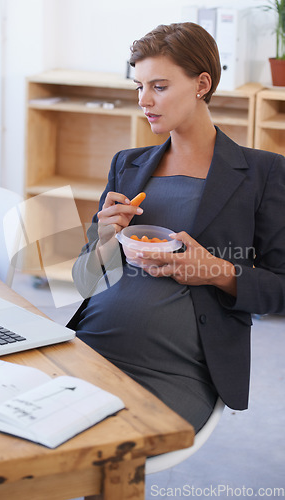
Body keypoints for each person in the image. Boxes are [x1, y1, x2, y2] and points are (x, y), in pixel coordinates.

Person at [67, 22, 285, 433]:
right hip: (89, 346)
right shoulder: (126, 165)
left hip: (176, 370)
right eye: (138, 87)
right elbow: (82, 281)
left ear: (202, 84)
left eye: (160, 87)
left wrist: (216, 271)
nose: (144, 100)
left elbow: (282, 288)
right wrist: (104, 241)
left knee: (94, 447)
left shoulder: (263, 172)